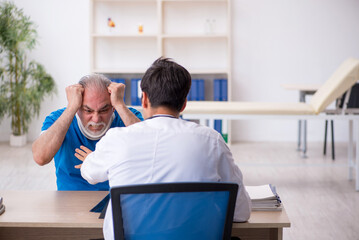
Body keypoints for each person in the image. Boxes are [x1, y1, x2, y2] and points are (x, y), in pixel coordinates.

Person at [78, 58, 251, 239]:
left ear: (144, 99)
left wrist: (90, 159)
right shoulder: (212, 140)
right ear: (184, 103)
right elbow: (241, 212)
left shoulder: (117, 139)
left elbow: (89, 174)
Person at [32, 74, 143, 191]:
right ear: (78, 106)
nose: (96, 119)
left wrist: (120, 104)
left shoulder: (128, 115)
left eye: (104, 110)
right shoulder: (58, 118)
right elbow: (40, 157)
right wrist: (71, 108)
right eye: (88, 110)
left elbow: (148, 152)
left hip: (115, 199)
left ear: (113, 106)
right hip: (70, 201)